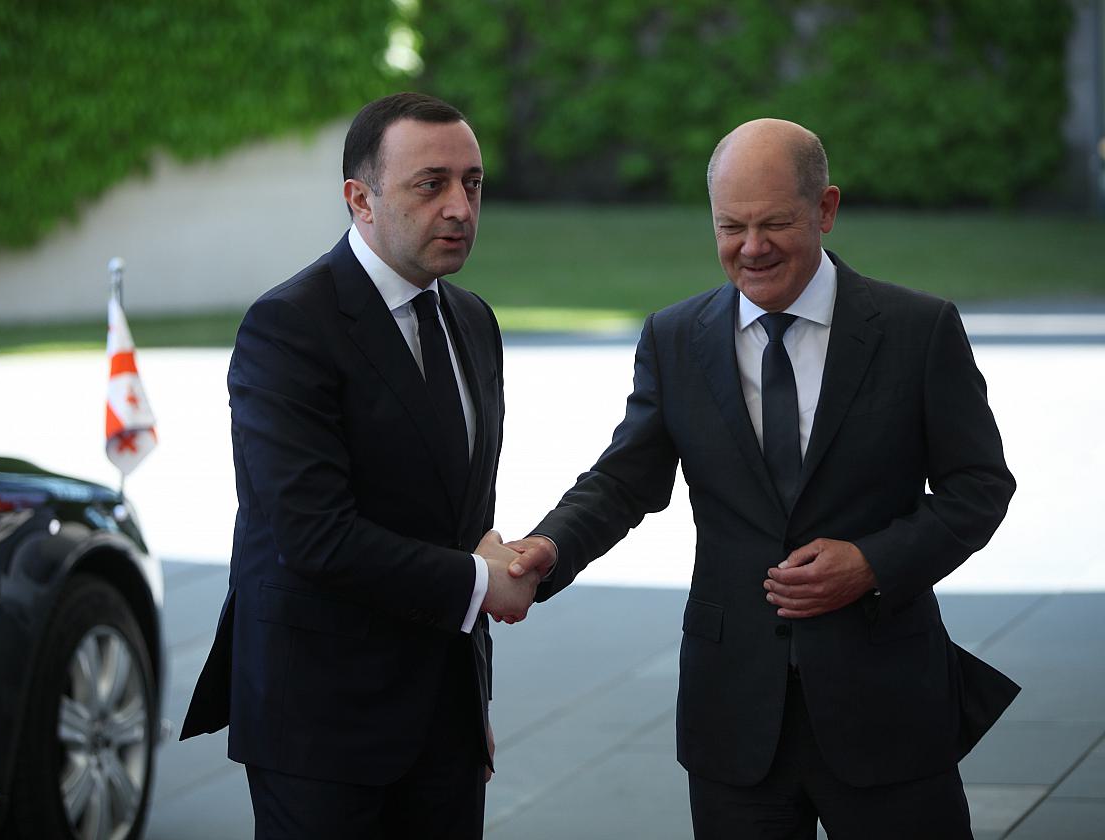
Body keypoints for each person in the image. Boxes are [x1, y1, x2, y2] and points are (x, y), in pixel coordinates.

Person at [503, 118, 1018, 839]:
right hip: (733, 715)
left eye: (774, 223)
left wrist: (872, 563)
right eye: (731, 227)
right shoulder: (674, 339)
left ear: (825, 209)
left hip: (888, 705)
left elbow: (979, 487)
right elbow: (623, 482)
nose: (751, 247)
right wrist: (550, 546)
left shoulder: (918, 330)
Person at [181, 92, 537, 840]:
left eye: (472, 183)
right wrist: (480, 583)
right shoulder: (288, 327)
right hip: (320, 728)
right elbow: (315, 537)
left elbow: (460, 521)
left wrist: (469, 704)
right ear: (360, 199)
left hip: (443, 723)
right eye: (431, 184)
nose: (460, 207)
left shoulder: (473, 320)